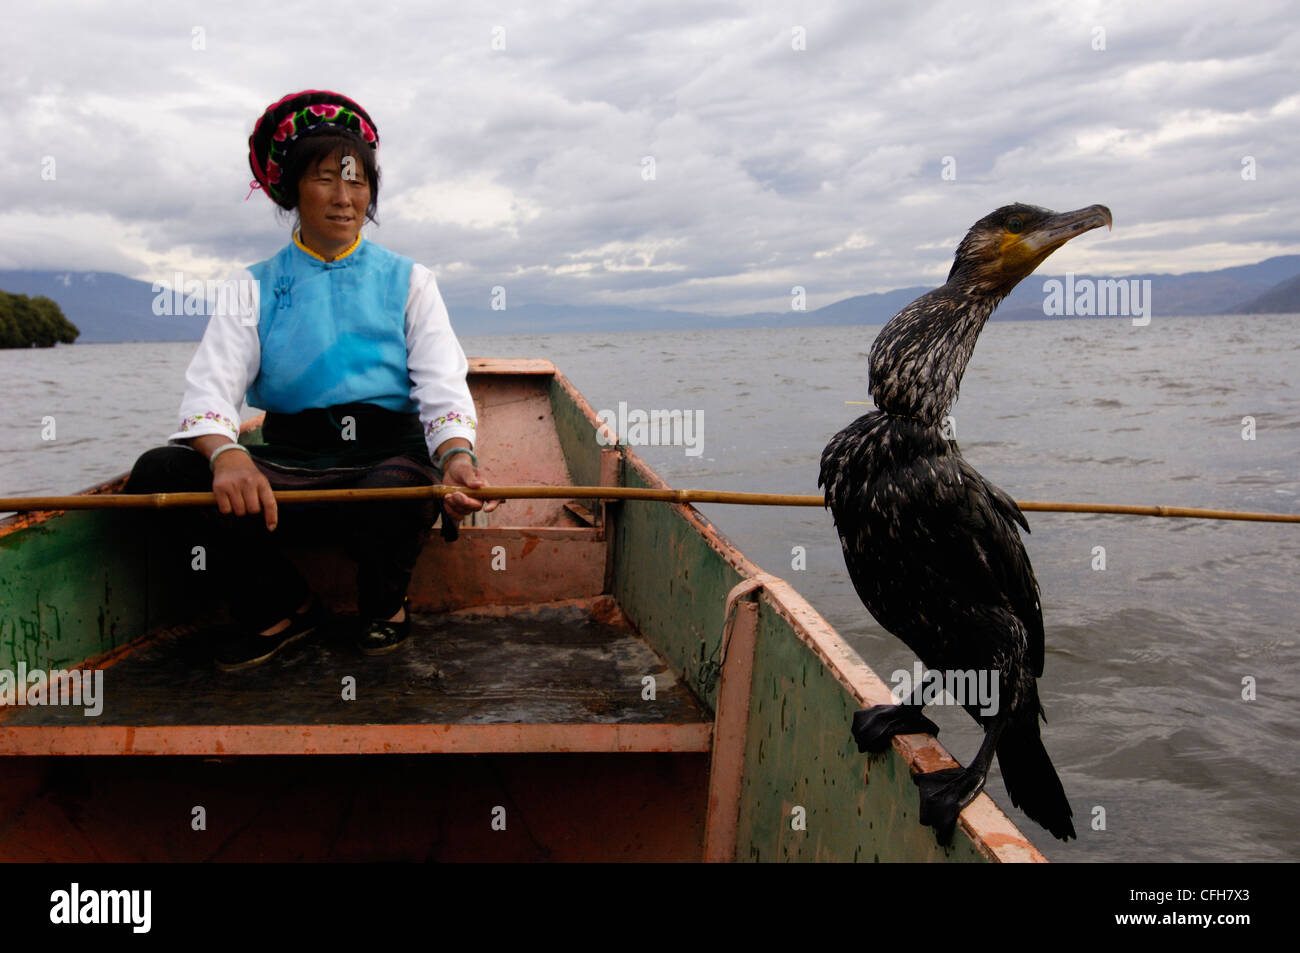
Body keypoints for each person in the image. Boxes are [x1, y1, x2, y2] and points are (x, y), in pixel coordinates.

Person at [125, 89, 498, 671]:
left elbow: (442, 388)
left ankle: (385, 608)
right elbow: (208, 393)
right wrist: (227, 454)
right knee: (161, 473)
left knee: (397, 488)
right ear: (293, 188)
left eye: (358, 181)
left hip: (384, 462)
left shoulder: (410, 280)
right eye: (326, 179)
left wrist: (455, 457)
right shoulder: (252, 285)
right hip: (290, 470)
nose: (345, 198)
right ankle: (284, 607)